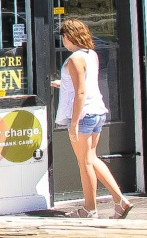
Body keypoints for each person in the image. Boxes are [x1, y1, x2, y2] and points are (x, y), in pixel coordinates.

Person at [50, 18, 133, 219]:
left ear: (68, 36)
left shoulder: (74, 59)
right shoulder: (91, 55)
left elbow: (80, 93)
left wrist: (74, 124)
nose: (62, 41)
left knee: (85, 163)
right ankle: (120, 201)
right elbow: (83, 84)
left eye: (63, 37)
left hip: (84, 115)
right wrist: (63, 84)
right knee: (92, 158)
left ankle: (89, 209)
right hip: (98, 112)